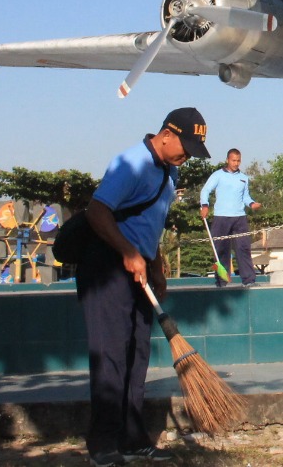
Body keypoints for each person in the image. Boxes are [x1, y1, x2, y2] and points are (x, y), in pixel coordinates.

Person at [78, 107, 210, 466]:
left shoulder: (171, 172)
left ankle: (132, 438)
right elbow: (97, 211)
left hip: (138, 267)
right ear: (166, 134)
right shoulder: (131, 162)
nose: (187, 155)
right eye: (185, 146)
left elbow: (153, 222)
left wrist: (155, 266)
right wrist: (127, 252)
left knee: (137, 354)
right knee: (111, 355)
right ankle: (103, 444)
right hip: (106, 267)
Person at [199, 148, 262, 287]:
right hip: (221, 218)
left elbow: (245, 197)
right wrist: (204, 205)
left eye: (238, 160)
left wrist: (252, 204)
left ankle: (249, 280)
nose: (236, 163)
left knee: (244, 248)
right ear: (227, 160)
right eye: (233, 160)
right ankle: (221, 281)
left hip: (239, 217)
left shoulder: (244, 178)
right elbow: (206, 190)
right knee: (220, 250)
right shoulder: (217, 175)